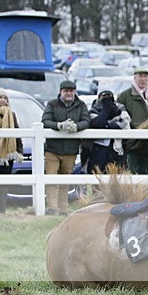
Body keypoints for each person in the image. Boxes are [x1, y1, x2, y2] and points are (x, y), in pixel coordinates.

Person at [41, 80, 90, 216]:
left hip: (71, 150)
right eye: (66, 91)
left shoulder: (81, 105)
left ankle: (63, 209)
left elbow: (86, 121)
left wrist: (77, 127)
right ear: (60, 92)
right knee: (51, 179)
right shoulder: (52, 104)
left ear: (74, 92)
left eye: (71, 91)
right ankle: (52, 207)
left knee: (65, 180)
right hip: (52, 149)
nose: (69, 93)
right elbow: (45, 121)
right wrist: (59, 125)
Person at [116, 67, 148, 174]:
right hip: (131, 143)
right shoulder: (124, 96)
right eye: (140, 76)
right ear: (134, 77)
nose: (143, 79)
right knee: (130, 174)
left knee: (145, 174)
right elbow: (118, 117)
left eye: (145, 76)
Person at [84, 86, 129, 174]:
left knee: (117, 176)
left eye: (109, 96)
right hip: (98, 148)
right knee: (97, 174)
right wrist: (105, 112)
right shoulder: (93, 110)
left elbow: (124, 122)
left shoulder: (120, 108)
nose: (107, 99)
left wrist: (107, 125)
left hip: (116, 148)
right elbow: (96, 124)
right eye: (104, 96)